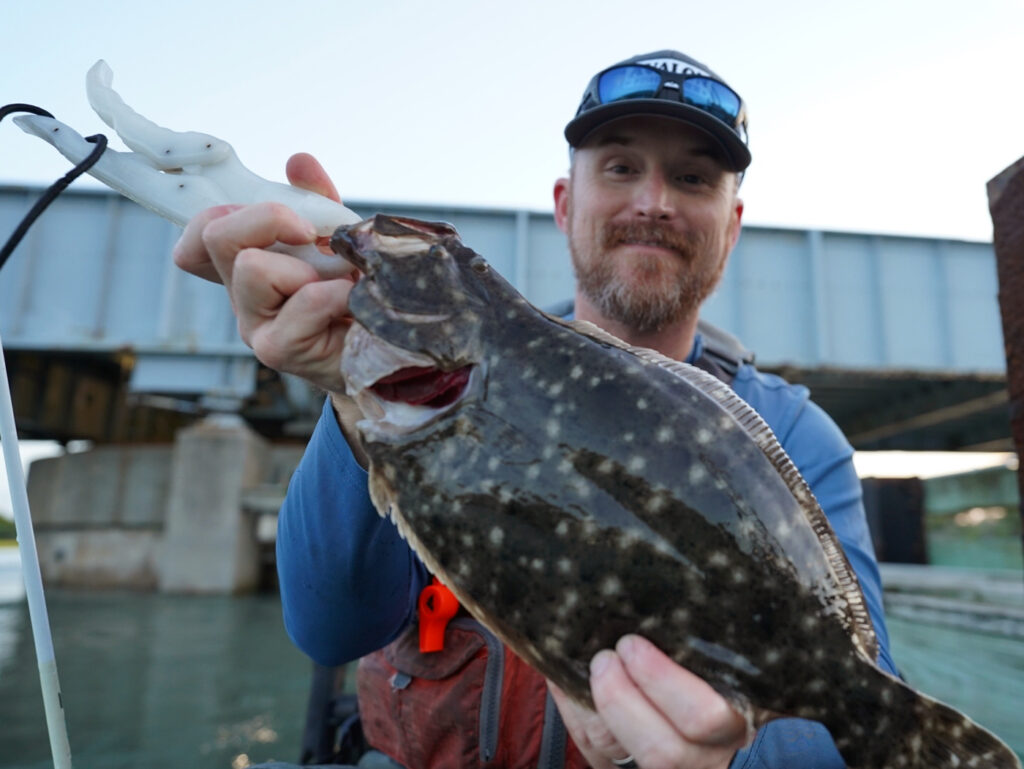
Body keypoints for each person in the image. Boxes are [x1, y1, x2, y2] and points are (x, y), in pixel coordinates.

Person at [173, 49, 899, 769]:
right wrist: (350, 392)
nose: (654, 201)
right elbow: (331, 627)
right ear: (563, 204)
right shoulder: (429, 383)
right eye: (620, 167)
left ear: (731, 225)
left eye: (692, 178)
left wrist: (724, 749)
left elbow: (850, 717)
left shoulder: (798, 436)